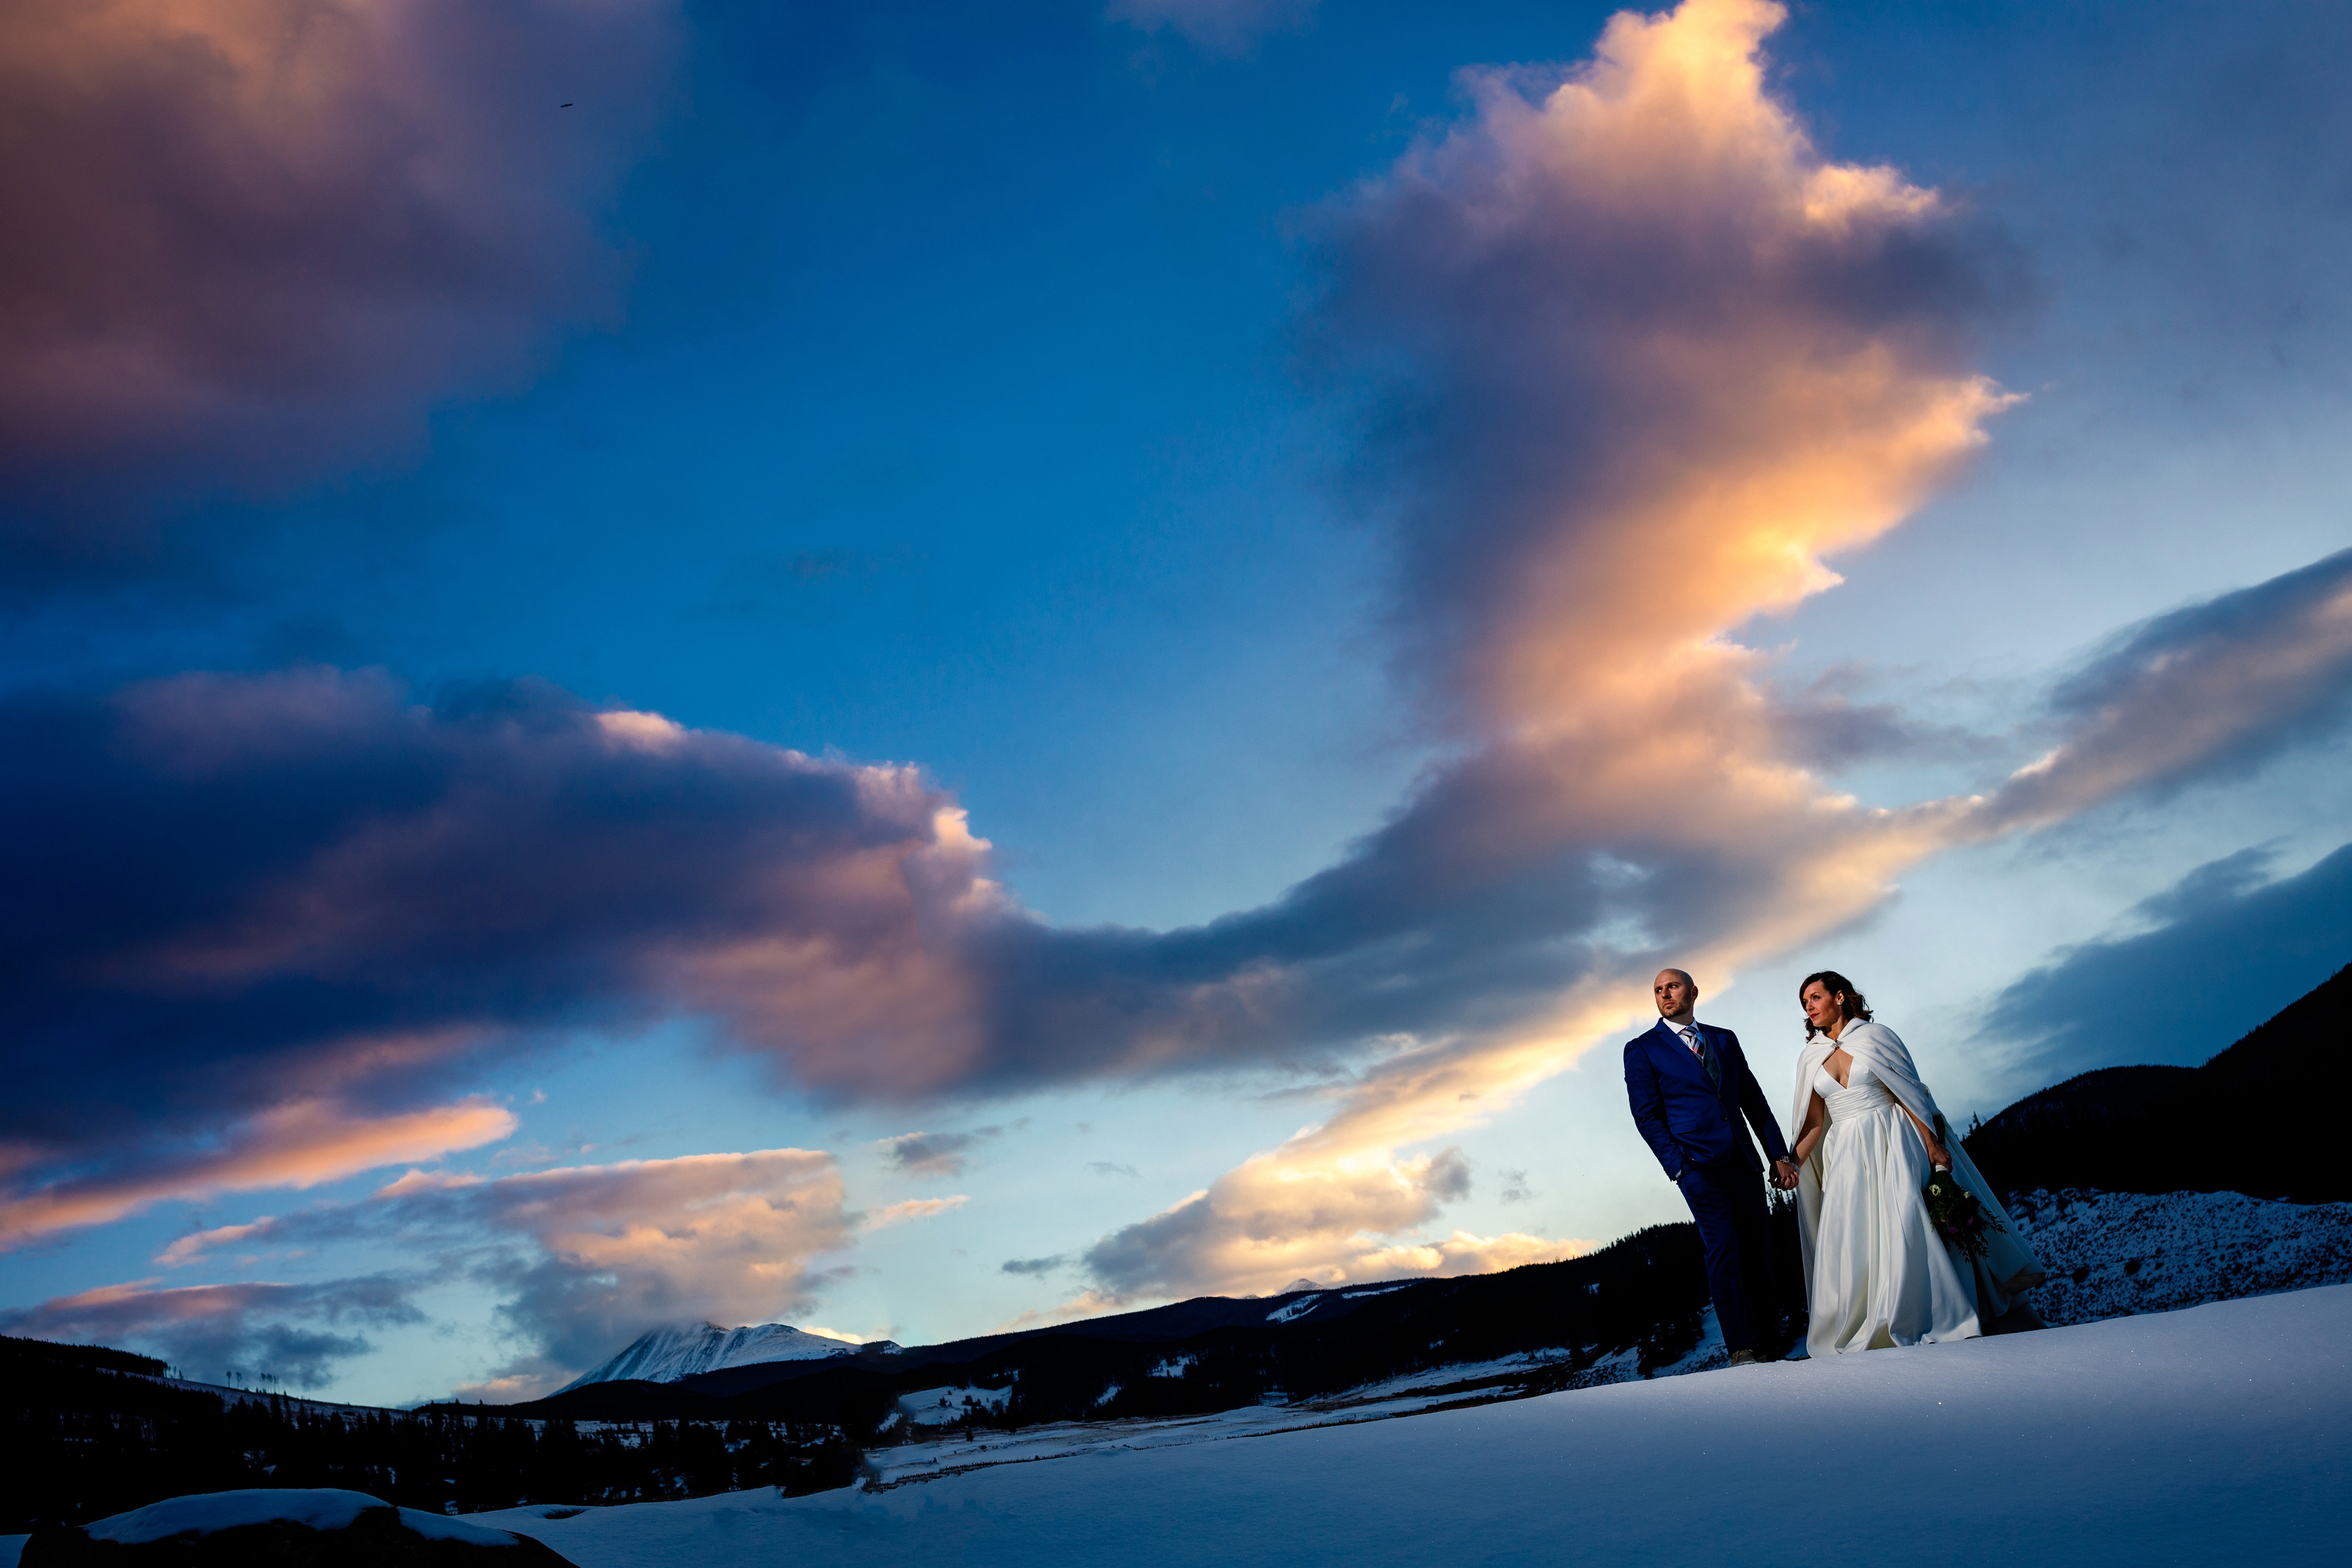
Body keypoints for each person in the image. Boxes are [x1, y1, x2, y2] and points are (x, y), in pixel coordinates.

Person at [1785, 971, 2046, 1356]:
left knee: (1906, 1219)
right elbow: (1812, 1122)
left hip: (1893, 1140)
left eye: (1814, 997)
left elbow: (1910, 1093)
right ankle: (1871, 1316)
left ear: (1839, 997)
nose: (1808, 1007)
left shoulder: (1877, 1037)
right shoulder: (1811, 1056)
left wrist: (1933, 1145)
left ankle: (1926, 1313)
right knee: (1857, 1230)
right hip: (1846, 1155)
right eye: (1804, 1002)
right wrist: (1792, 1163)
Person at [1624, 968, 1799, 1366]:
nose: (1665, 994)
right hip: (1696, 1166)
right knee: (1723, 1251)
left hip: (1743, 1161)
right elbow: (1646, 1116)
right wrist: (1679, 1166)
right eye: (1657, 990)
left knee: (1758, 1252)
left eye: (1673, 986)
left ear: (1693, 992)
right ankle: (1742, 1348)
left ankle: (1771, 1345)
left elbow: (1753, 1100)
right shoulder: (1642, 1049)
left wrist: (1778, 1155)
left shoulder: (1723, 1039)